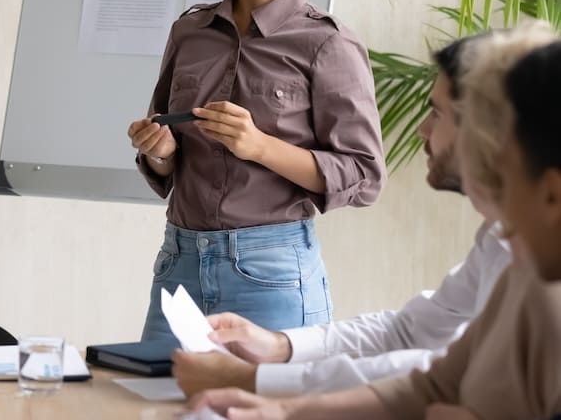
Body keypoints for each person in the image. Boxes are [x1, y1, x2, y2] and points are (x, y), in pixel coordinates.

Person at [190, 22, 561, 420]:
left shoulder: (534, 278)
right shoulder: (518, 267)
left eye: (503, 170)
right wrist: (282, 402)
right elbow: (432, 377)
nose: (423, 130)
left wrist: (261, 382)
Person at [127, 0, 385, 341]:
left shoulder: (328, 45)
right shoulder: (190, 31)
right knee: (157, 408)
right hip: (178, 263)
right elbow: (170, 158)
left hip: (272, 270)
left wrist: (259, 145)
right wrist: (159, 152)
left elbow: (364, 176)